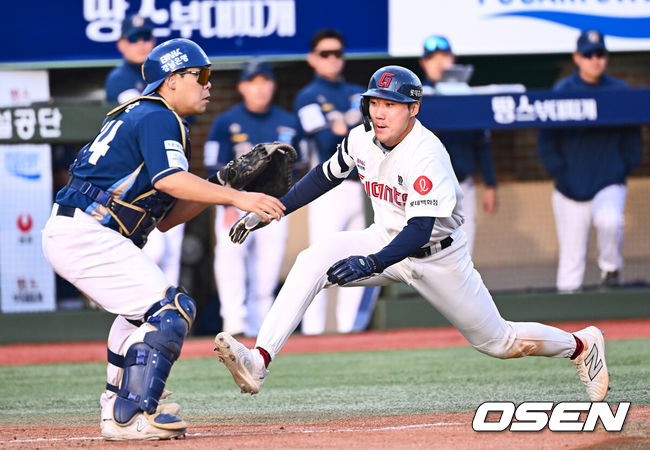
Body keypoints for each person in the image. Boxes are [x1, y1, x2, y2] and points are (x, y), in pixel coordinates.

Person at [214, 66, 609, 406]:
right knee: (311, 260)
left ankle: (582, 344)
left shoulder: (427, 154)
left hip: (438, 258)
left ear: (413, 109)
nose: (380, 112)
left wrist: (372, 262)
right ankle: (259, 361)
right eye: (374, 102)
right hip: (383, 237)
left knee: (500, 343)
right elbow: (323, 176)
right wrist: (272, 209)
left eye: (391, 104)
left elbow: (419, 230)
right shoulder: (362, 138)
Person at [41, 38, 284, 441]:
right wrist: (239, 196)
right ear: (171, 80)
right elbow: (168, 179)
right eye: (200, 76)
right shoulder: (158, 115)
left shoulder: (149, 115)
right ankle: (129, 414)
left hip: (84, 229)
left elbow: (168, 219)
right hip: (86, 231)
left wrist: (222, 181)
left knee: (140, 315)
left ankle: (118, 400)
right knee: (171, 309)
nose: (208, 85)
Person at [204, 59, 303, 337]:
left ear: (273, 85)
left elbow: (302, 163)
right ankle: (233, 323)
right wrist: (225, 203)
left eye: (264, 82)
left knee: (267, 269)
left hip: (275, 201)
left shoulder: (288, 121)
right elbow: (214, 166)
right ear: (242, 87)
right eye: (252, 82)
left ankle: (262, 328)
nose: (259, 89)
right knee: (230, 257)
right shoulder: (226, 121)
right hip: (237, 200)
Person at [538, 29, 641, 293]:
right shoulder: (562, 91)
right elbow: (547, 141)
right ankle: (566, 332)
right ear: (577, 57)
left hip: (609, 181)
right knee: (571, 262)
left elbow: (632, 140)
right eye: (588, 54)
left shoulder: (618, 91)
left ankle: (611, 269)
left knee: (610, 221)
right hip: (569, 187)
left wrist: (622, 166)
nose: (595, 59)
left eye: (600, 54)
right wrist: (560, 172)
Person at [293, 28, 380, 335]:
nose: (332, 59)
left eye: (337, 53)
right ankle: (313, 332)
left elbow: (376, 132)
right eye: (325, 54)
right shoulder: (306, 95)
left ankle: (349, 333)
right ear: (312, 58)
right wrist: (349, 122)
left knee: (359, 257)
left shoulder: (360, 91)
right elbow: (328, 138)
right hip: (329, 186)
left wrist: (344, 121)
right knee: (320, 258)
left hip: (367, 186)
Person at [105, 14, 185, 286]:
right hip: (139, 178)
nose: (141, 43)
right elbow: (144, 119)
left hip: (171, 169)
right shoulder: (119, 78)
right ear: (121, 44)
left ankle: (171, 324)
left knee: (172, 253)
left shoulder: (165, 75)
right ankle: (148, 317)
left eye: (146, 37)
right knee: (151, 251)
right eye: (134, 38)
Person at [419, 35, 497, 254]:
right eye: (432, 58)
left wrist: (490, 185)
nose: (439, 63)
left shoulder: (467, 97)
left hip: (463, 186)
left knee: (464, 253)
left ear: (453, 59)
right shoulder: (417, 97)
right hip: (426, 189)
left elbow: (482, 144)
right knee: (430, 258)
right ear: (424, 63)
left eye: (444, 57)